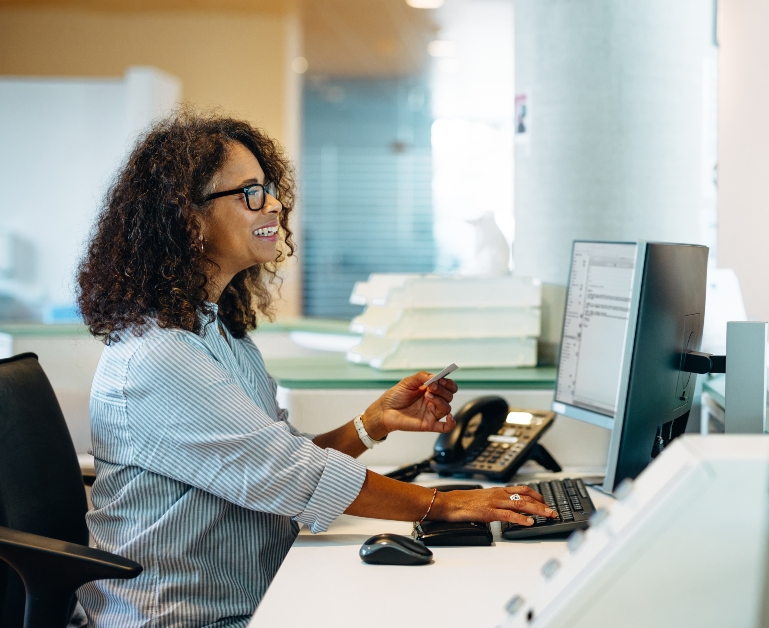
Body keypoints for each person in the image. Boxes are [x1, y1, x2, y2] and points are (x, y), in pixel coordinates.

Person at [74, 110, 556, 628]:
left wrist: (372, 425)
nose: (275, 204)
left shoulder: (216, 333)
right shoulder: (161, 358)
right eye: (250, 192)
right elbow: (293, 476)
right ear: (187, 218)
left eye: (270, 188)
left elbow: (277, 458)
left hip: (250, 598)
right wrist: (448, 505)